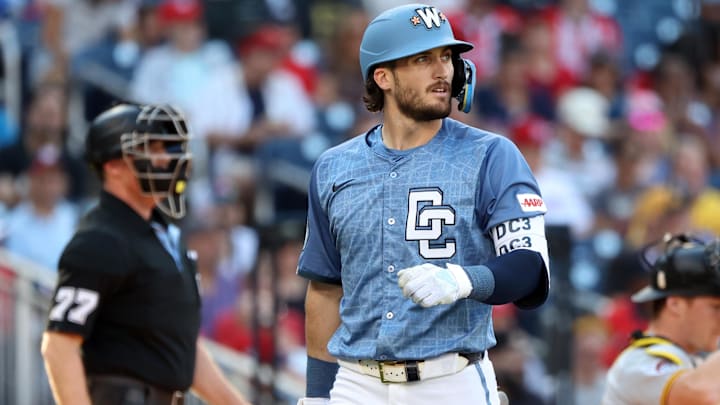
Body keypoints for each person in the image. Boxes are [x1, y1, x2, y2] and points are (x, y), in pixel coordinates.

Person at [296, 4, 550, 405]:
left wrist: (464, 280)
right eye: (423, 59)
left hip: (450, 378)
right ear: (383, 77)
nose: (443, 71)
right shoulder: (333, 166)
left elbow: (530, 267)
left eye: (447, 57)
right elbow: (325, 289)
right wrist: (316, 394)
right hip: (355, 382)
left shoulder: (492, 154)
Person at [40, 103, 252, 405]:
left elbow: (180, 348)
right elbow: (60, 345)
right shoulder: (99, 240)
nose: (166, 158)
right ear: (113, 165)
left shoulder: (165, 235)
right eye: (151, 149)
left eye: (166, 148)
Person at [602, 233, 720, 405]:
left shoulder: (694, 361)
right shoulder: (639, 362)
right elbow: (703, 396)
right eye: (715, 307)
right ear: (675, 305)